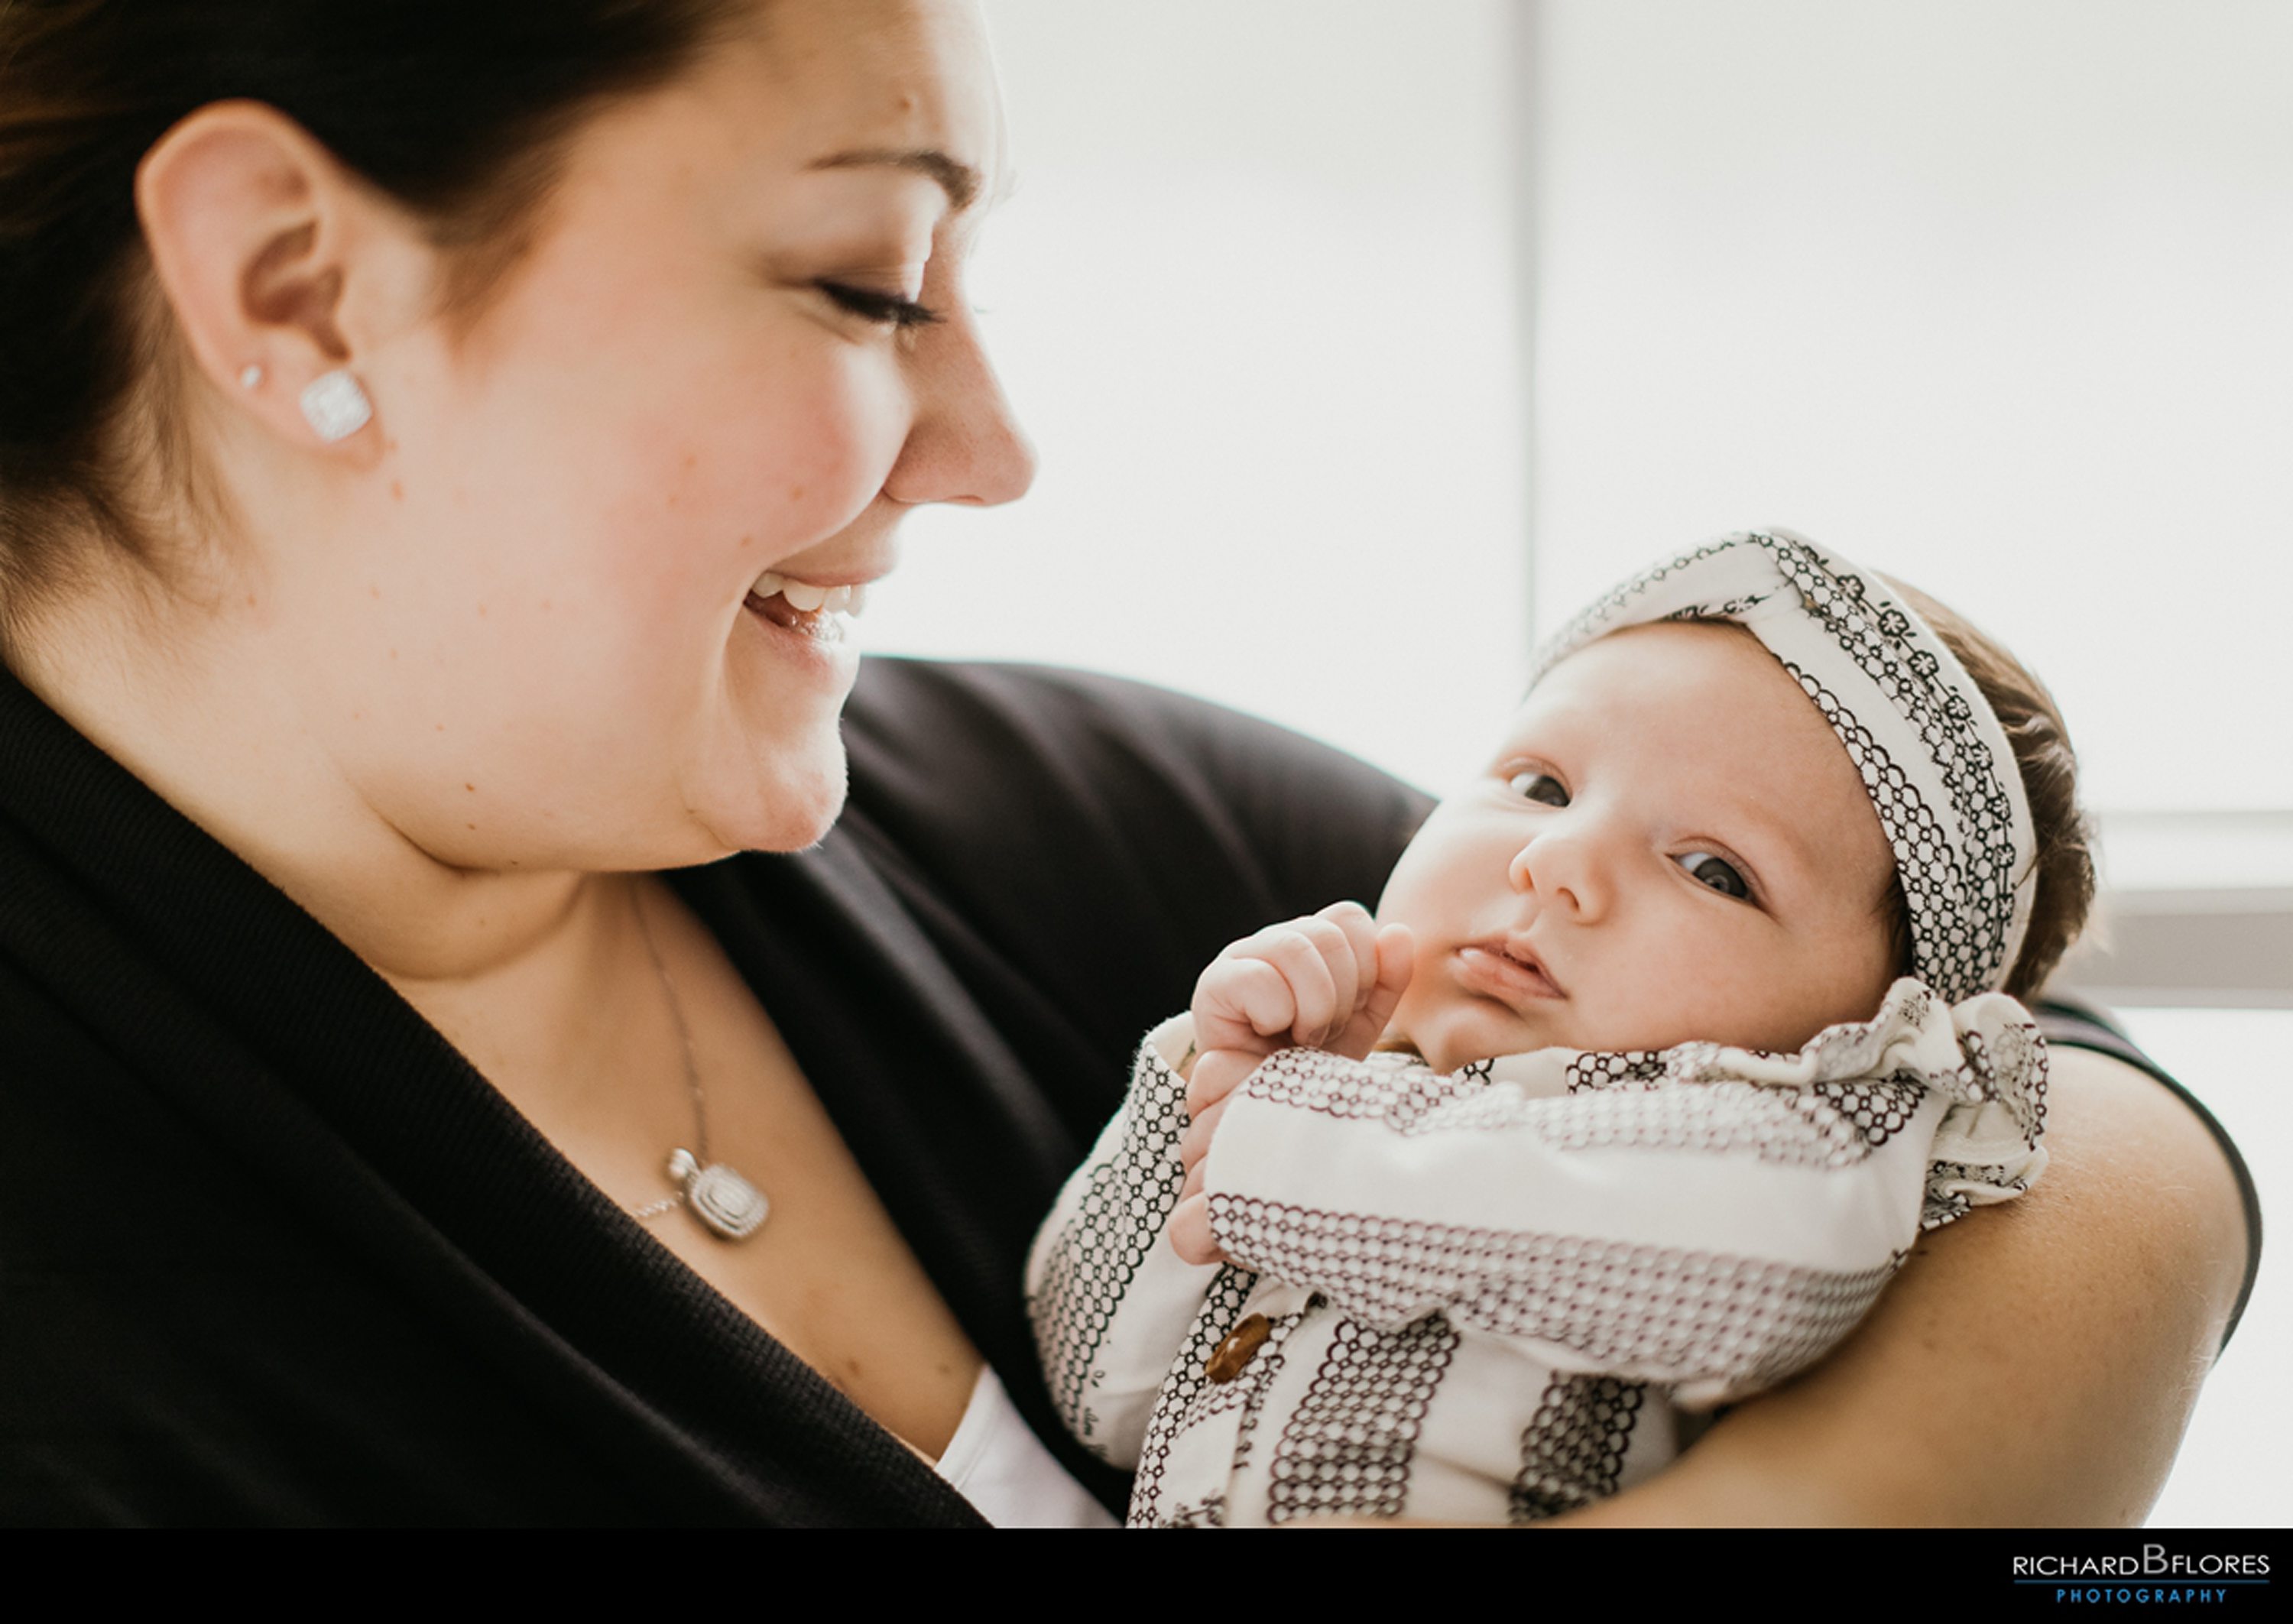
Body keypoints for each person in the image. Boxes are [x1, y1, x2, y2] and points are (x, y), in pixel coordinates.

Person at [0, 0, 2256, 1526]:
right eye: (873, 287)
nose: (996, 450)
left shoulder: (1059, 833)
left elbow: (2071, 1090)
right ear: (295, 283)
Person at [1029, 532, 2063, 1525]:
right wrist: (1202, 1093)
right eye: (1541, 787)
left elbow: (1770, 1267)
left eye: (1714, 870)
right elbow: (1098, 1398)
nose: (1557, 859)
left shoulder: (1792, 1148)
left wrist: (1298, 1151)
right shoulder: (1338, 1094)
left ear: (1876, 1024)